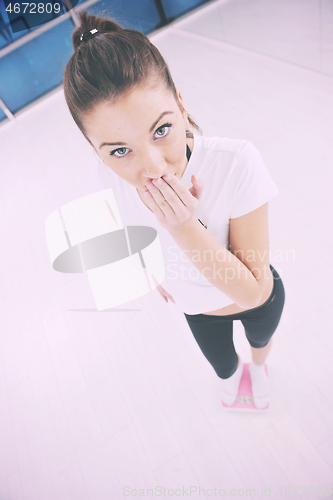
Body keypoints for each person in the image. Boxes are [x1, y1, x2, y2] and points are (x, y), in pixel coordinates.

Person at [63, 11, 285, 410]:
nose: (154, 167)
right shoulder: (110, 175)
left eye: (161, 129)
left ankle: (260, 371)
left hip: (258, 300)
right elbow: (131, 226)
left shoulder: (236, 161)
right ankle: (237, 379)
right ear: (96, 151)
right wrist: (155, 271)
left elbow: (254, 293)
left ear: (181, 106)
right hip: (196, 308)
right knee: (223, 368)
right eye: (119, 150)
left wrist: (183, 226)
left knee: (260, 345)